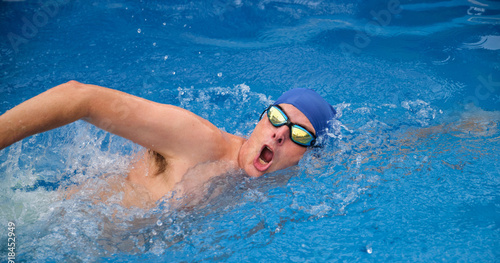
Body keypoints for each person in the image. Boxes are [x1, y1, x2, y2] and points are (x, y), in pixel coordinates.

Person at [0, 82, 336, 207]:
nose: (280, 133)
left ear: (305, 156)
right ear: (260, 119)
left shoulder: (266, 190)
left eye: (300, 135)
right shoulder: (201, 141)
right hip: (31, 223)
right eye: (277, 117)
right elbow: (80, 98)